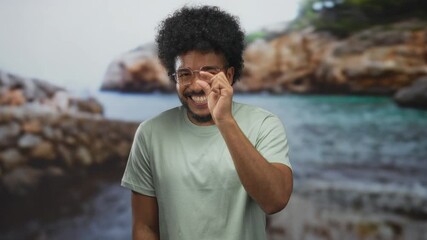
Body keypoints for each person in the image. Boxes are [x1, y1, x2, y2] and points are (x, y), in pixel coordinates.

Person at [121, 5, 293, 240]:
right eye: (185, 74)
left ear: (229, 76)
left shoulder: (264, 124)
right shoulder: (151, 133)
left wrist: (224, 120)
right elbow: (145, 227)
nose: (196, 84)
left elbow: (275, 201)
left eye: (208, 73)